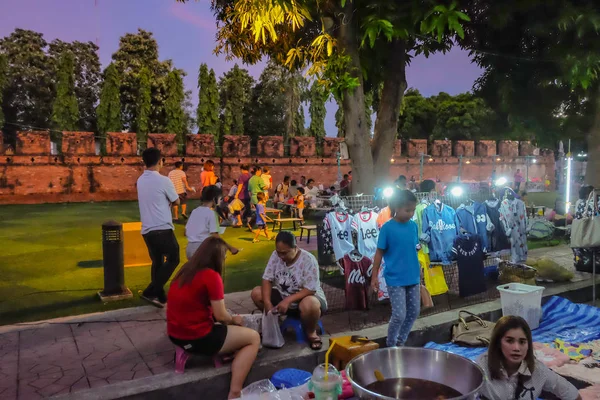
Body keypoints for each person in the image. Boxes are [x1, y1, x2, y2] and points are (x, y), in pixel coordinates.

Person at [167, 237, 260, 400]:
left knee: (231, 329)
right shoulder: (211, 276)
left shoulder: (186, 270)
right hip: (198, 338)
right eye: (224, 256)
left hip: (175, 335)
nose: (224, 259)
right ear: (217, 257)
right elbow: (221, 316)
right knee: (253, 338)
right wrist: (234, 320)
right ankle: (235, 392)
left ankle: (229, 353)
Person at [250, 231, 327, 350]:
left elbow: (310, 289)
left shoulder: (308, 260)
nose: (281, 256)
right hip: (283, 297)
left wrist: (288, 301)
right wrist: (267, 303)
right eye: (278, 252)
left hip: (307, 299)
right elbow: (267, 279)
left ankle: (311, 332)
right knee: (257, 293)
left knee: (309, 304)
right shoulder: (275, 256)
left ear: (295, 248)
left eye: (284, 253)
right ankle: (277, 324)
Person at [477, 316, 581, 400]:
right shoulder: (481, 368)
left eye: (522, 342)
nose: (517, 348)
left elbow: (572, 394)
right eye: (509, 341)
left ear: (528, 345)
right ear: (498, 343)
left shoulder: (538, 371)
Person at [371, 189, 420, 347]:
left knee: (414, 312)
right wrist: (374, 276)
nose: (411, 213)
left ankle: (401, 342)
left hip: (413, 276)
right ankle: (391, 344)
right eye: (408, 210)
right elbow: (379, 253)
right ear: (396, 208)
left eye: (413, 210)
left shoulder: (413, 226)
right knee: (399, 315)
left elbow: (413, 248)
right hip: (395, 278)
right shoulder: (387, 228)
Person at [137, 148, 181, 307]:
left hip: (147, 230)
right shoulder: (163, 180)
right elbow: (176, 201)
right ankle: (152, 290)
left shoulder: (140, 180)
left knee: (157, 262)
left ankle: (159, 294)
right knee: (174, 258)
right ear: (160, 161)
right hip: (162, 227)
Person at [185, 185, 239, 259]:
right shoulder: (211, 213)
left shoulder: (195, 211)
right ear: (215, 199)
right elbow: (215, 236)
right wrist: (230, 248)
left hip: (190, 248)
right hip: (203, 249)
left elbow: (186, 231)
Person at [235, 164, 252, 229]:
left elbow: (240, 186)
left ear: (242, 169)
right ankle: (249, 222)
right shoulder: (250, 176)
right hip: (248, 195)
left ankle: (240, 222)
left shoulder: (242, 176)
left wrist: (236, 194)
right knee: (248, 208)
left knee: (237, 208)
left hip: (241, 195)